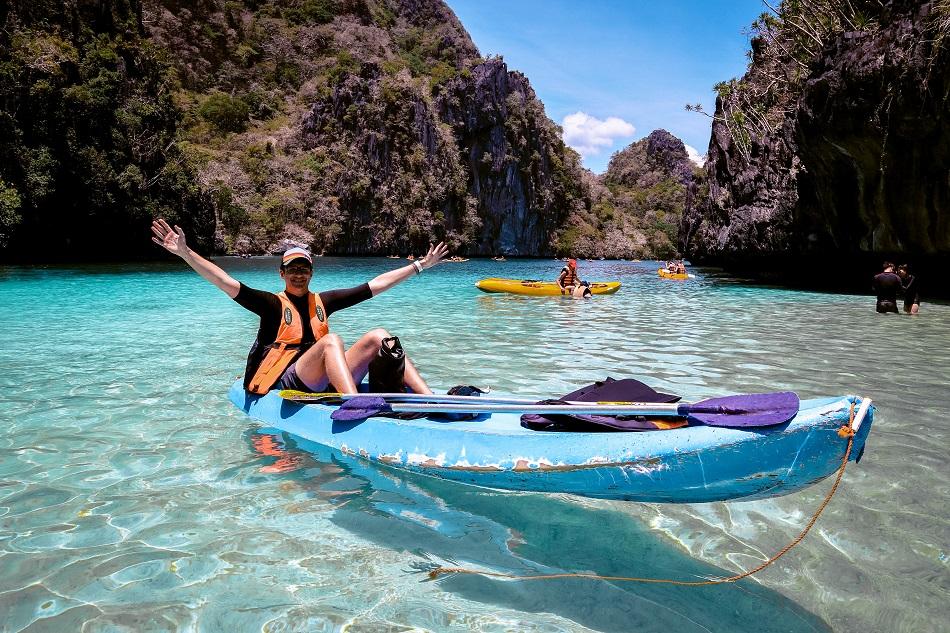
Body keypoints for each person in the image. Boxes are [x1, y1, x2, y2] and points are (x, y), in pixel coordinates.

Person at [151, 218, 449, 395]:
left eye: (303, 269)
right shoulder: (270, 304)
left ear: (311, 273)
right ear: (282, 273)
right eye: (292, 269)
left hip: (320, 379)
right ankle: (354, 403)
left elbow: (376, 285)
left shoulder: (323, 302)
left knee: (380, 335)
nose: (298, 274)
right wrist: (186, 253)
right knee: (331, 341)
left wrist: (419, 266)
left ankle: (431, 399)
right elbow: (224, 281)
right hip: (288, 380)